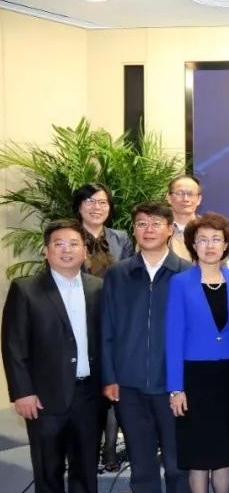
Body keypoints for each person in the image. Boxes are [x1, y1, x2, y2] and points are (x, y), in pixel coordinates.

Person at [1, 219, 117, 493]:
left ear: (84, 250)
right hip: (45, 397)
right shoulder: (26, 289)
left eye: (73, 244)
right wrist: (22, 392)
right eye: (59, 244)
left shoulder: (98, 287)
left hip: (88, 394)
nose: (67, 250)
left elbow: (107, 340)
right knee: (48, 468)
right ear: (46, 250)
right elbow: (13, 345)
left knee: (85, 465)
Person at [101, 203, 194, 493]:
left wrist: (186, 383)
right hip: (129, 384)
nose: (149, 229)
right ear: (134, 230)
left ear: (170, 229)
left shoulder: (187, 273)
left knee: (176, 461)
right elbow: (107, 329)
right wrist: (110, 377)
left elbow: (194, 334)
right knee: (140, 462)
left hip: (173, 386)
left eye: (156, 223)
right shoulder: (118, 274)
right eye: (141, 224)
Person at [166, 213, 229, 493]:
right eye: (202, 239)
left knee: (224, 454)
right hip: (194, 378)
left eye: (217, 239)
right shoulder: (180, 283)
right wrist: (176, 387)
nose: (210, 245)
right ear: (192, 245)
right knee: (200, 456)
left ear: (226, 244)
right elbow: (173, 337)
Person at [73, 183, 134, 472]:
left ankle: (110, 448)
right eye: (90, 201)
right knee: (89, 385)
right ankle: (85, 449)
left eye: (102, 202)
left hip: (116, 318)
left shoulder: (121, 237)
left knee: (113, 382)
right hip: (80, 316)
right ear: (79, 206)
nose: (96, 207)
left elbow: (131, 276)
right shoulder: (69, 236)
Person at [166, 175, 202, 260]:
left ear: (199, 199)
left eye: (191, 194)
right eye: (179, 193)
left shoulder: (208, 228)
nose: (185, 199)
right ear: (169, 197)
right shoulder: (156, 229)